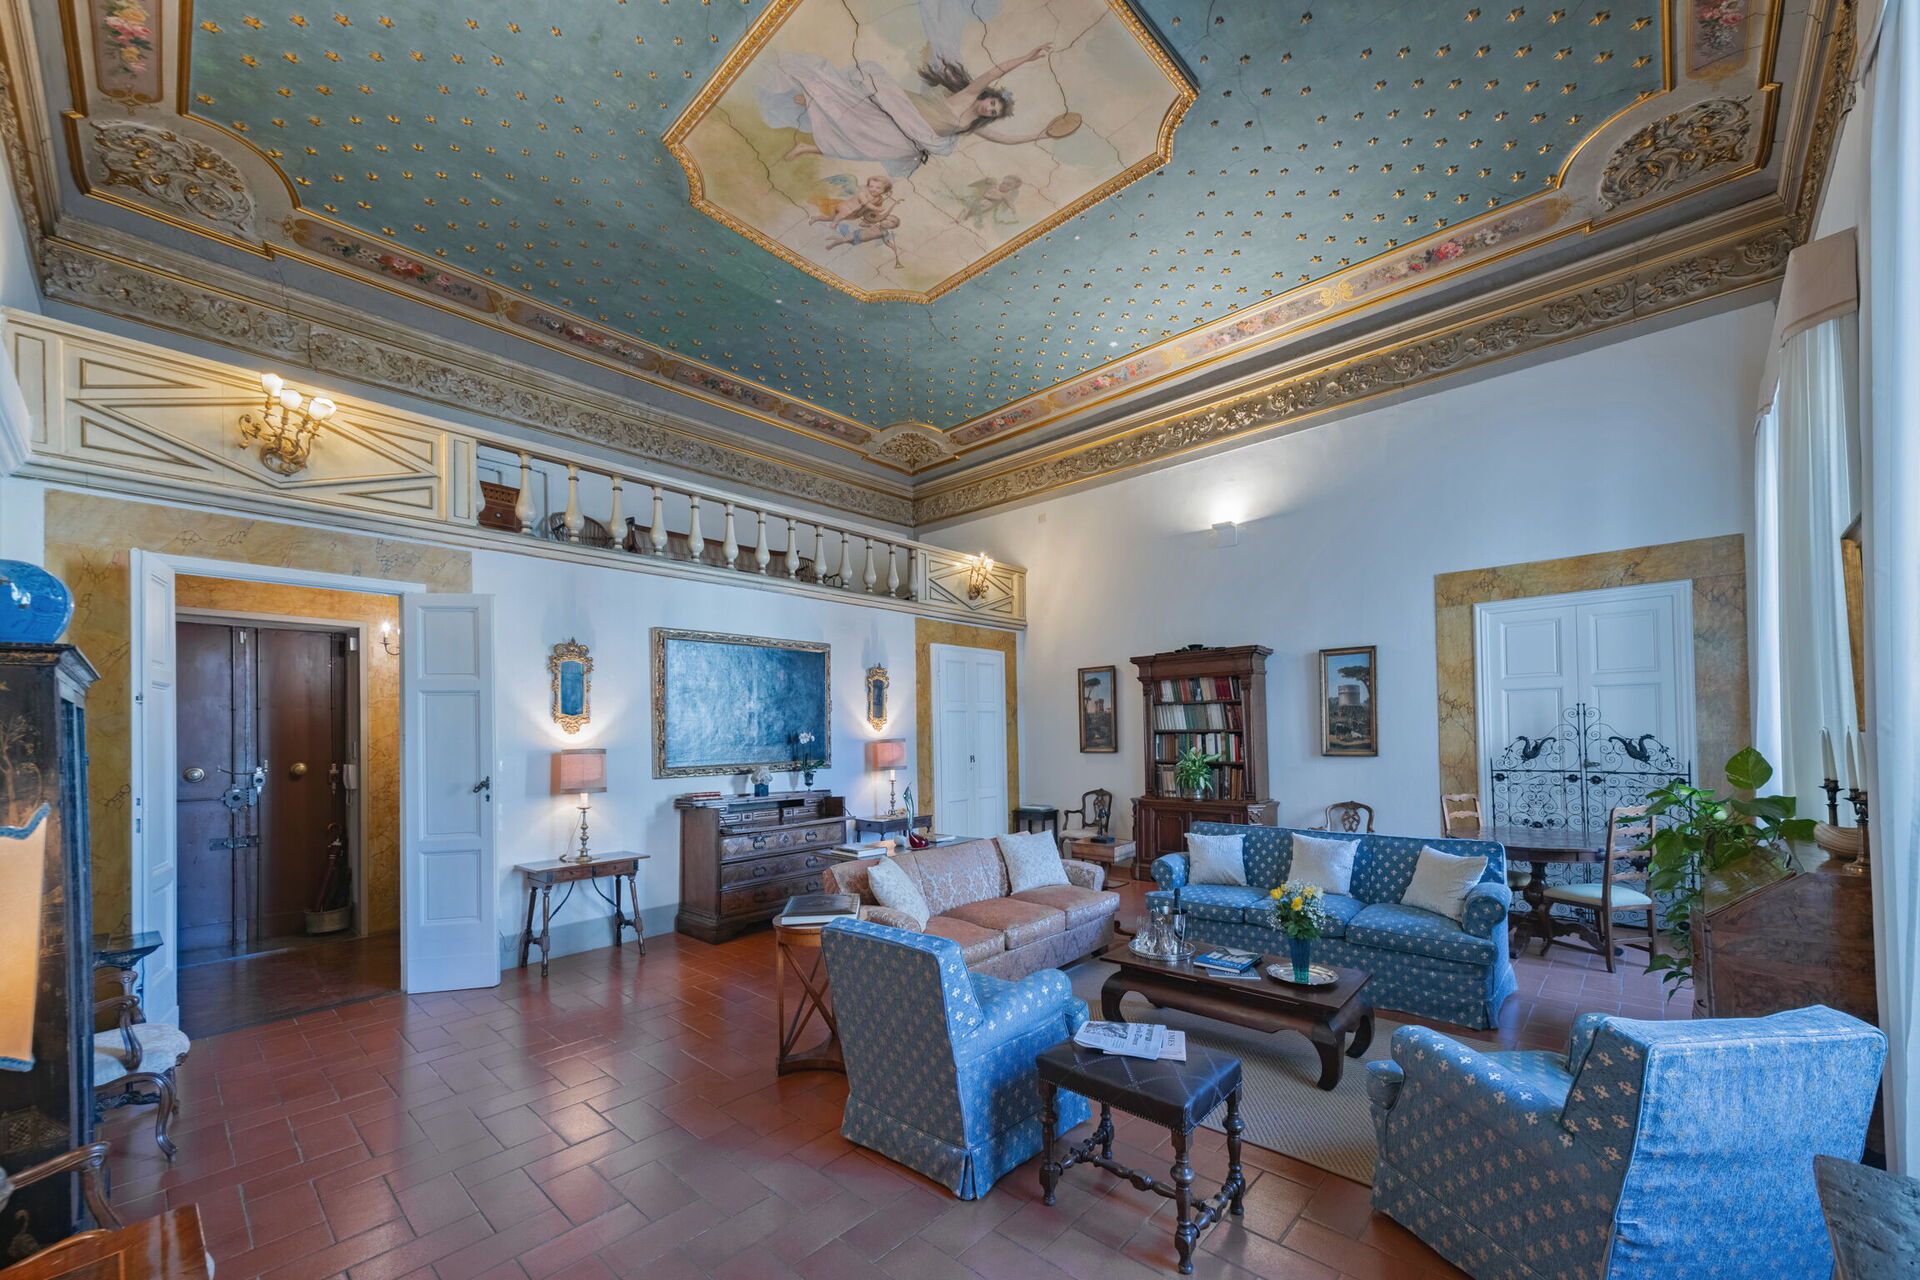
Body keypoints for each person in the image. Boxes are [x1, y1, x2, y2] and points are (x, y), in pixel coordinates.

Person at [757, 42, 1058, 176]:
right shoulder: (968, 95)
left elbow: (1006, 139)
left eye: (993, 112)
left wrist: (1040, 136)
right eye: (992, 104)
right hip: (904, 112)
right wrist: (1027, 57)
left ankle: (807, 147)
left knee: (863, 146)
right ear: (987, 96)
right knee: (856, 106)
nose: (989, 109)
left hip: (905, 135)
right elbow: (995, 71)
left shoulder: (970, 125)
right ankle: (812, 93)